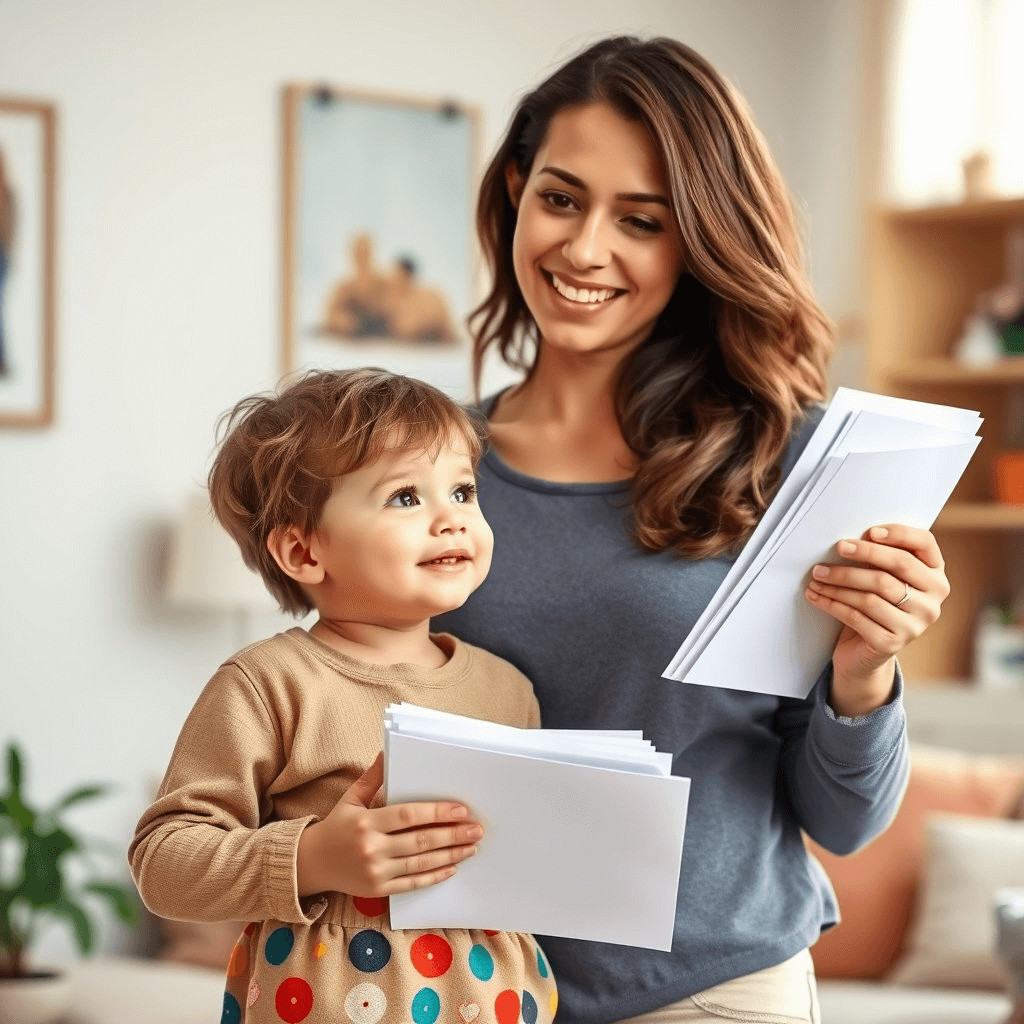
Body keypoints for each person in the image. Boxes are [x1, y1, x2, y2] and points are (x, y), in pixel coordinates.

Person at [434, 35, 950, 1024]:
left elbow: (844, 820)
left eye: (641, 220)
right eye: (560, 198)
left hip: (709, 993)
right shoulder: (426, 468)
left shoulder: (783, 464)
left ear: (699, 241)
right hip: (458, 987)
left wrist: (864, 669)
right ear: (512, 193)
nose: (586, 250)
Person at [129, 369, 557, 1024]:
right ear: (303, 550)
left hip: (492, 1000)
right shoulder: (268, 683)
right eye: (406, 498)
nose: (451, 519)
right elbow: (163, 860)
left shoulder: (509, 688)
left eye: (463, 490)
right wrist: (313, 856)